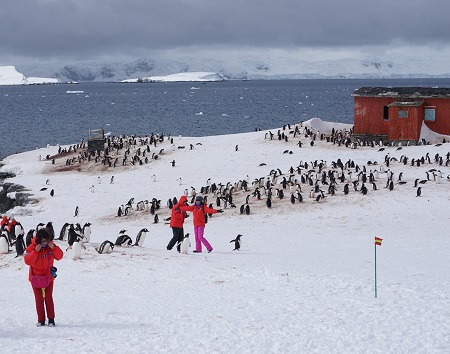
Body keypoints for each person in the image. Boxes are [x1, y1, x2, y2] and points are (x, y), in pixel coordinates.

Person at [24, 228, 63, 327]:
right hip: (36, 278)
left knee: (48, 298)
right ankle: (41, 320)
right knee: (39, 299)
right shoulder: (31, 247)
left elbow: (59, 256)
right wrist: (35, 252)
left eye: (46, 240)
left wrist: (53, 247)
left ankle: (51, 319)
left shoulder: (51, 246)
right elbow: (27, 261)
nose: (44, 243)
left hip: (48, 277)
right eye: (42, 241)